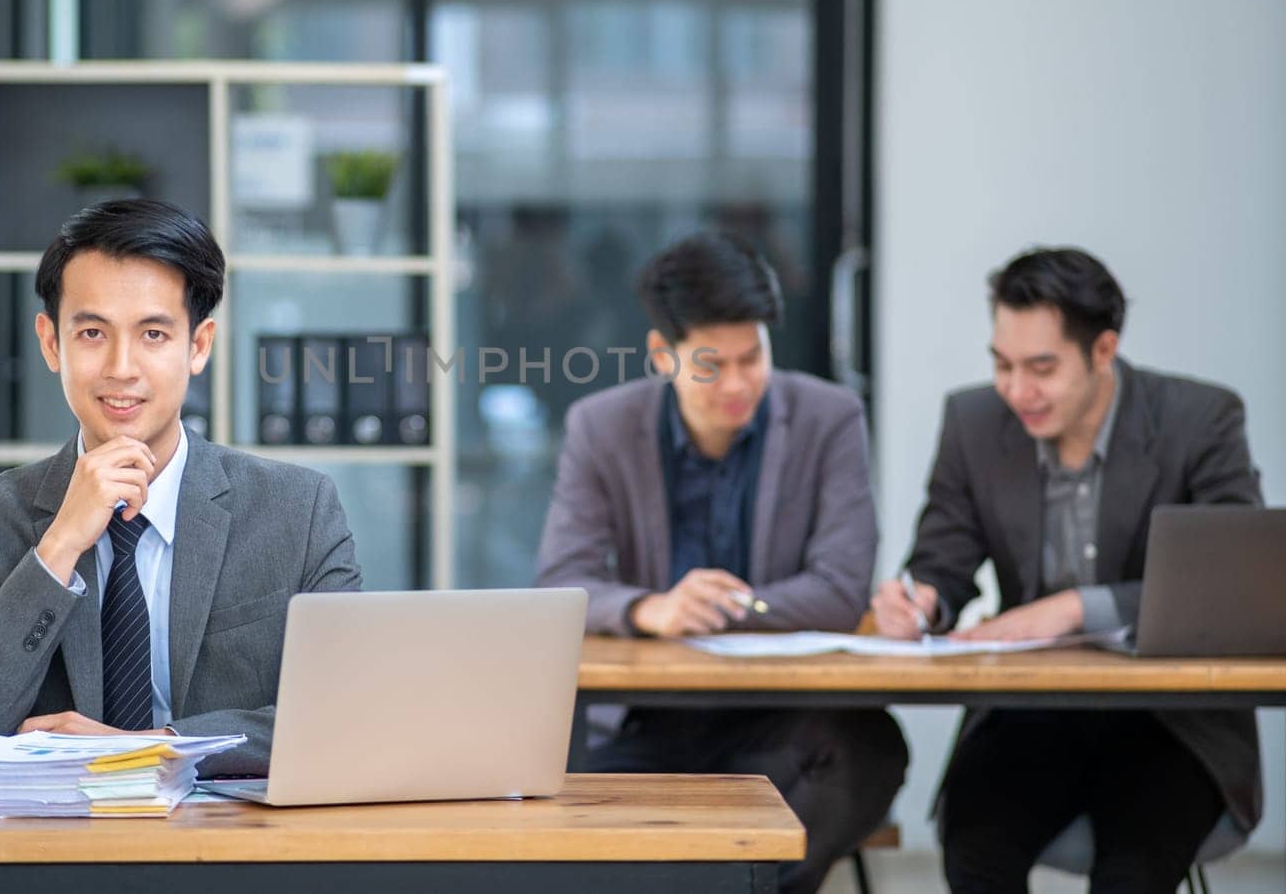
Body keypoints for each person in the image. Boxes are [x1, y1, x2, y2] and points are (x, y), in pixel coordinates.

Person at [0, 199, 361, 775]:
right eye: (94, 332)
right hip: (52, 852)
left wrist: (142, 750)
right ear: (52, 343)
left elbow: (342, 714)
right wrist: (58, 548)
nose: (122, 367)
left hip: (240, 850)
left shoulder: (298, 511)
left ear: (198, 346)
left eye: (153, 333)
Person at [871, 247, 1262, 893]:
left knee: (1133, 869)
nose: (1016, 390)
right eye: (1002, 364)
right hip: (1032, 708)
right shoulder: (973, 423)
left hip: (1169, 719)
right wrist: (922, 601)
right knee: (975, 847)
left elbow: (1232, 588)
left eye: (1041, 367)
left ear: (1104, 350)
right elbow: (942, 559)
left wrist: (1076, 607)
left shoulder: (1201, 420)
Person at [536, 230, 907, 894]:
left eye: (753, 357)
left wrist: (734, 606)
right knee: (553, 807)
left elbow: (842, 585)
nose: (738, 383)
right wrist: (654, 608)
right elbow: (563, 579)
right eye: (712, 363)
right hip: (640, 719)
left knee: (869, 750)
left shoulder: (830, 418)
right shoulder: (602, 425)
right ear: (662, 355)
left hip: (779, 716)